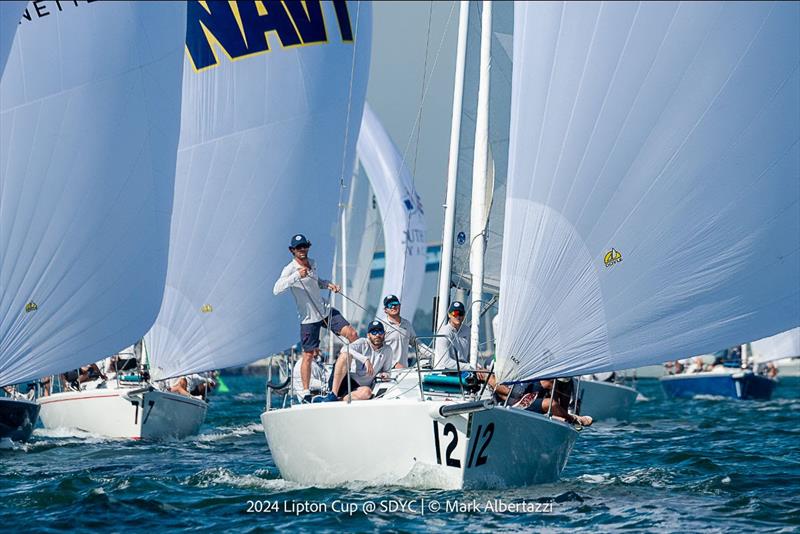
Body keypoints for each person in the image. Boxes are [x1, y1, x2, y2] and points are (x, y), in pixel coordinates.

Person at [273, 234, 358, 402]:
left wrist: (328, 285)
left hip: (324, 311)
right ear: (292, 250)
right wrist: (297, 275)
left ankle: (355, 372)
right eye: (298, 247)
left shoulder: (313, 263)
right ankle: (305, 392)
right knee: (308, 355)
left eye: (304, 246)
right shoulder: (289, 269)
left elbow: (316, 281)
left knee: (352, 335)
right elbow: (276, 289)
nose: (302, 249)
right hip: (308, 319)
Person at [327, 320, 394, 401]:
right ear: (368, 335)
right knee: (345, 355)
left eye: (380, 331)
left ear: (384, 334)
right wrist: (365, 359)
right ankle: (333, 394)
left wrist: (385, 375)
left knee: (367, 393)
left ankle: (338, 400)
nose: (377, 335)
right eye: (374, 332)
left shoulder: (388, 350)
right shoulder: (362, 342)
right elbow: (344, 349)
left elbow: (387, 371)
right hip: (343, 380)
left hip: (358, 388)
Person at [510, 378, 593, 426]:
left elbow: (554, 402)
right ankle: (573, 419)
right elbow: (551, 403)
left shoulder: (559, 383)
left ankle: (565, 417)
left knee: (564, 383)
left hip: (533, 404)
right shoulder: (548, 380)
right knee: (550, 403)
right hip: (518, 403)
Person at [381, 294, 428, 368]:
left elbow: (417, 343)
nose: (393, 306)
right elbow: (377, 349)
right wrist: (394, 364)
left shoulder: (407, 324)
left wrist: (433, 355)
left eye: (395, 304)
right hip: (387, 371)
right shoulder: (382, 325)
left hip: (403, 371)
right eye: (390, 305)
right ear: (385, 310)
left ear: (399, 306)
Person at [433, 301, 470, 369]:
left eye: (460, 313)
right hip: (446, 372)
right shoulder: (444, 333)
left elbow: (470, 356)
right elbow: (446, 362)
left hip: (464, 370)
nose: (458, 316)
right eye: (455, 313)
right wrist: (469, 367)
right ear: (449, 315)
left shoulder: (467, 330)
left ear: (464, 315)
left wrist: (477, 367)